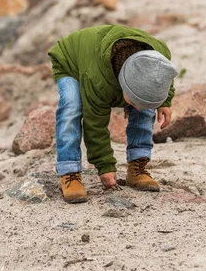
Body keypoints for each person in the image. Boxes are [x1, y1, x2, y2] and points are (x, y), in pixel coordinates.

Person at [48, 25, 178, 203]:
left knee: (146, 108)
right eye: (132, 101)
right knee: (72, 108)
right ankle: (69, 172)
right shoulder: (97, 81)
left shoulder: (158, 55)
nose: (137, 109)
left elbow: (161, 77)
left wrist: (165, 101)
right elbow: (95, 124)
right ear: (122, 84)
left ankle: (137, 168)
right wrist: (105, 166)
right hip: (72, 62)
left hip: (108, 65)